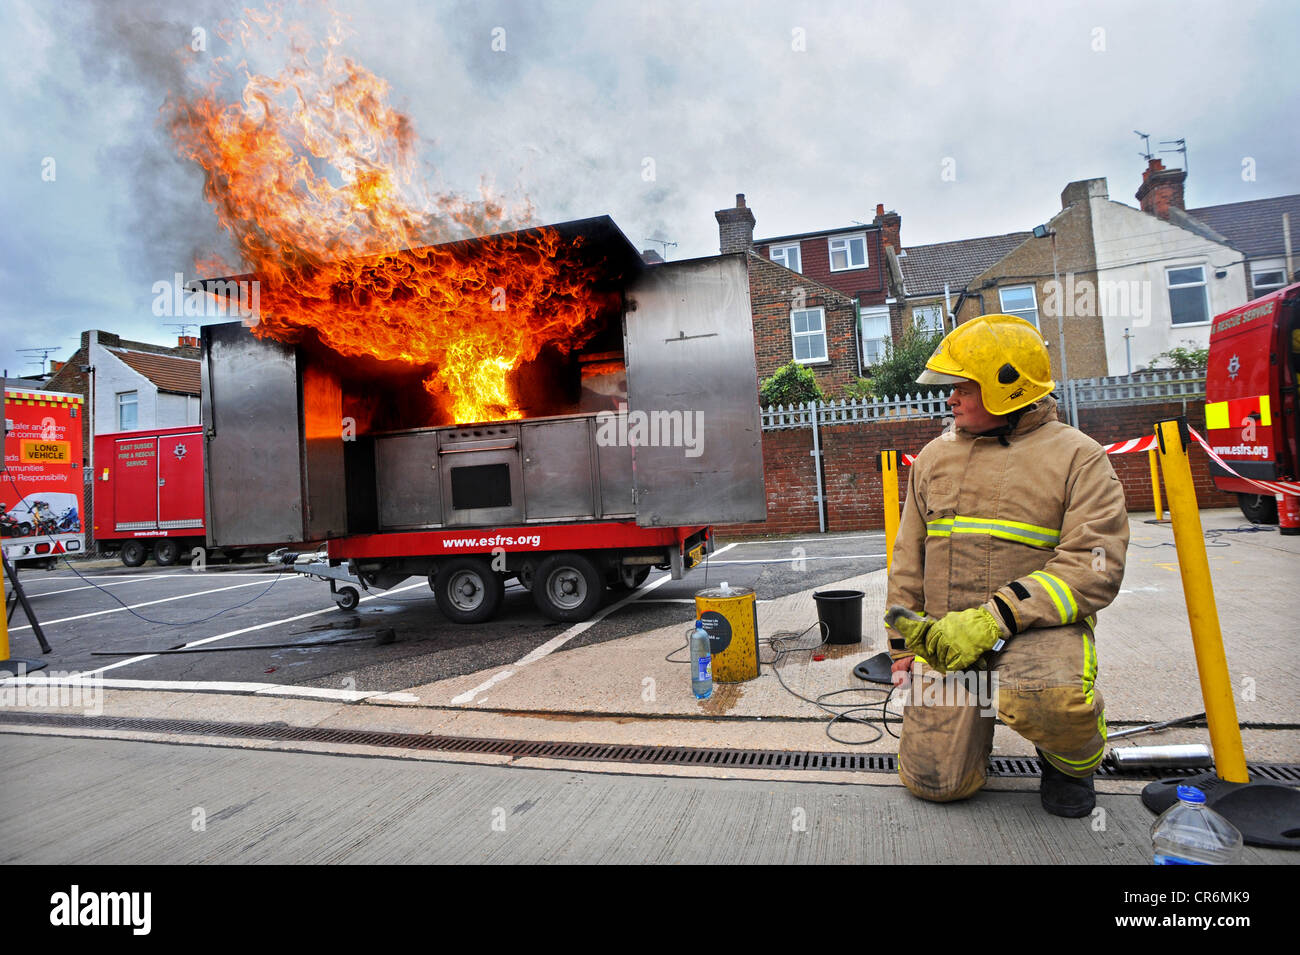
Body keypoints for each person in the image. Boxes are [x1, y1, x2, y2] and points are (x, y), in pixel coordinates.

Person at [883, 314, 1129, 817]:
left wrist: (994, 618)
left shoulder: (1078, 457)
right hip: (947, 637)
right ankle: (972, 734)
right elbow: (909, 556)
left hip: (1035, 632)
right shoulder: (933, 457)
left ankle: (1071, 761)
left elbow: (1093, 565)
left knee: (1050, 698)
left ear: (1007, 388)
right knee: (936, 782)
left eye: (962, 387)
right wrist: (904, 646)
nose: (949, 398)